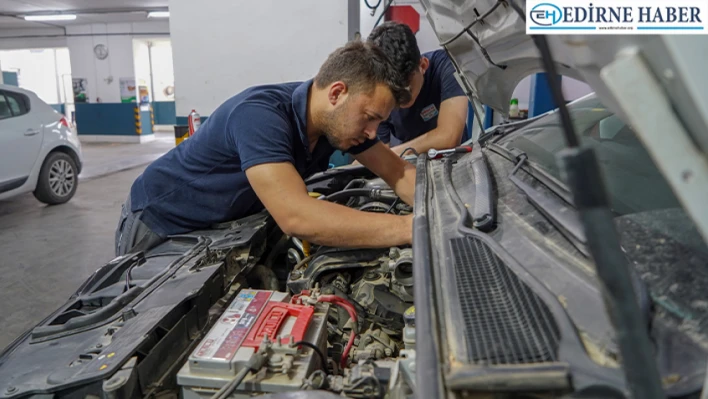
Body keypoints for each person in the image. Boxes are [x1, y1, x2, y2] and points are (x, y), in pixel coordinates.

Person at [115, 40, 417, 257]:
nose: (373, 132)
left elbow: (396, 170)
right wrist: (410, 228)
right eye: (370, 118)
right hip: (161, 221)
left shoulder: (338, 123)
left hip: (220, 226)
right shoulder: (260, 117)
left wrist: (444, 211)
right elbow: (297, 216)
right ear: (337, 93)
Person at [367, 21, 470, 156]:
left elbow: (449, 136)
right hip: (411, 160)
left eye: (407, 90)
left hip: (455, 158)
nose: (401, 101)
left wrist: (390, 155)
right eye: (394, 95)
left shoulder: (445, 66)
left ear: (423, 65)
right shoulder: (377, 89)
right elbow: (379, 154)